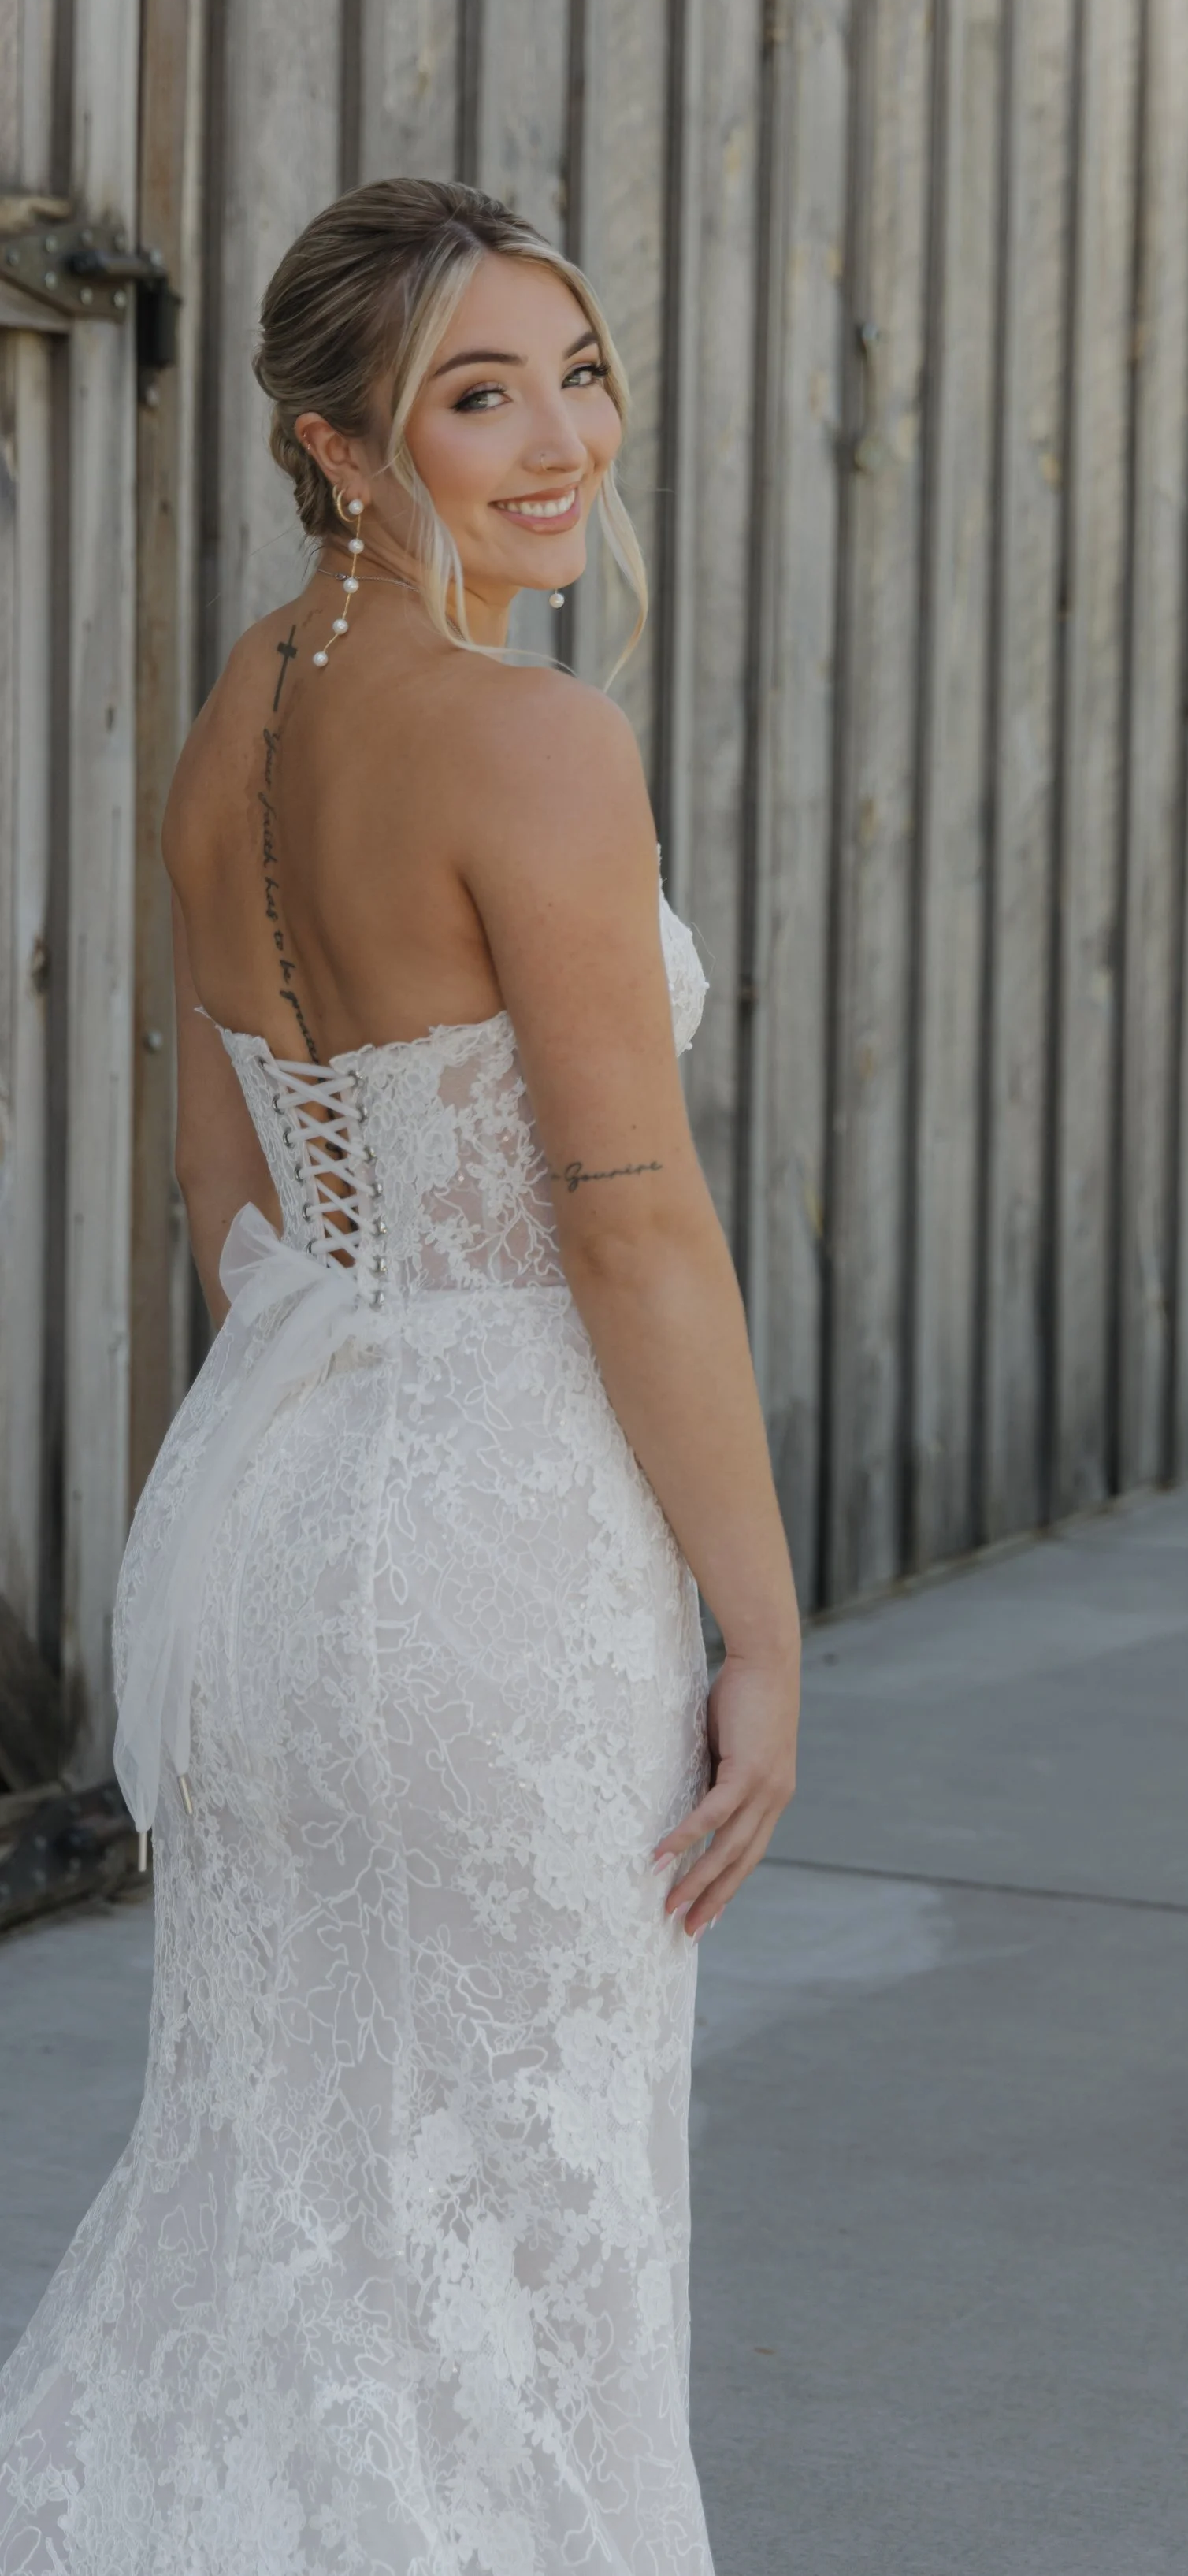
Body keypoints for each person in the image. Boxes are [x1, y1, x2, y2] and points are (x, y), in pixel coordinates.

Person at [0, 177, 800, 2564]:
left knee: (283, 2198)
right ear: (344, 444)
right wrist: (755, 1624)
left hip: (268, 1513)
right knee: (528, 2228)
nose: (563, 438)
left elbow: (221, 1181)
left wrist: (342, 1432)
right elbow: (627, 1215)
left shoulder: (245, 715)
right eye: (482, 394)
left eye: (579, 370)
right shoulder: (529, 738)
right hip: (498, 1553)